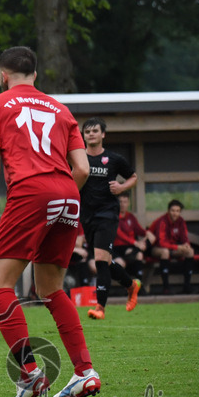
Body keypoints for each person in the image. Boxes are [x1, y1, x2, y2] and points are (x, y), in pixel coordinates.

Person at [0, 46, 100, 397]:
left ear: (3, 75)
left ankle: (29, 373)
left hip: (31, 192)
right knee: (50, 288)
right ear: (35, 74)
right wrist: (58, 194)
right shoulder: (61, 110)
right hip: (68, 193)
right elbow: (83, 169)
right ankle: (85, 371)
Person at [78, 117, 141, 319]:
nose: (91, 134)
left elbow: (133, 177)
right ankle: (131, 285)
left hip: (107, 214)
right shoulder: (78, 159)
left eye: (95, 131)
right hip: (87, 216)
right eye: (87, 131)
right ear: (83, 135)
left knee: (99, 260)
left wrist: (121, 187)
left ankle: (100, 308)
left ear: (103, 134)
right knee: (105, 261)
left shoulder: (114, 159)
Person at [149, 200, 195, 294]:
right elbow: (161, 243)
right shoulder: (162, 221)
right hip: (156, 248)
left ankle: (187, 286)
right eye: (173, 210)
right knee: (165, 252)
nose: (175, 213)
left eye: (177, 211)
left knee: (190, 251)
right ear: (168, 211)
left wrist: (186, 244)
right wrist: (178, 247)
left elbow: (184, 237)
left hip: (174, 248)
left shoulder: (181, 221)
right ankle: (166, 288)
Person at [114, 193, 154, 284]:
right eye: (120, 202)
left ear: (128, 203)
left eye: (125, 202)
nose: (123, 204)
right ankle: (133, 284)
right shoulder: (114, 217)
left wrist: (147, 233)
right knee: (137, 253)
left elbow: (138, 229)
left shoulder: (130, 217)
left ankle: (139, 285)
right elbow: (119, 234)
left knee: (141, 251)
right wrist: (136, 243)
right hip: (118, 247)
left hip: (132, 246)